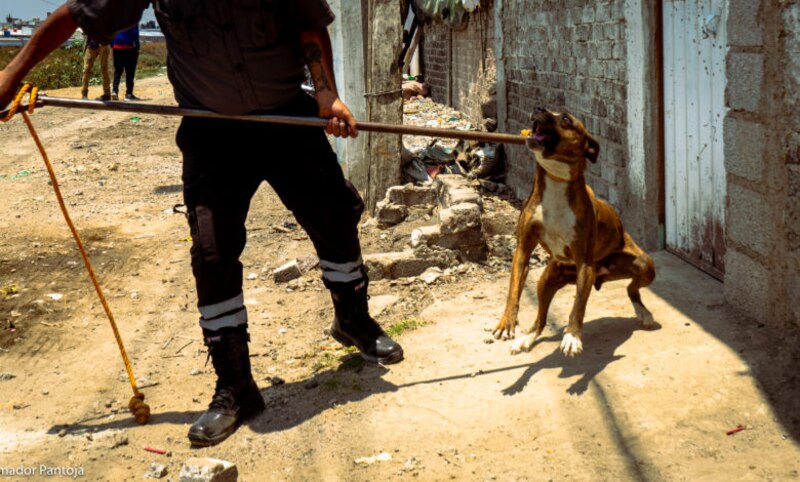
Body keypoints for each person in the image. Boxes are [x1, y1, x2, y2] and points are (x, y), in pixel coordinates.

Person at [0, 0, 403, 447]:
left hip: (287, 116)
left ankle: (354, 320)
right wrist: (9, 76)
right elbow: (77, 15)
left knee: (335, 216)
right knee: (212, 253)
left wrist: (326, 94)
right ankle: (236, 387)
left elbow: (308, 24)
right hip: (212, 132)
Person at [111, 24, 139, 101]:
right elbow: (135, 33)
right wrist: (137, 47)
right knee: (130, 71)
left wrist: (112, 44)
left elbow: (111, 31)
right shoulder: (133, 18)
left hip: (116, 47)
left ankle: (114, 91)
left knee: (118, 70)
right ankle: (129, 94)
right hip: (128, 47)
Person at [80, 33, 111, 100]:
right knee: (86, 69)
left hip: (103, 44)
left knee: (104, 69)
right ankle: (84, 93)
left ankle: (107, 93)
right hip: (91, 44)